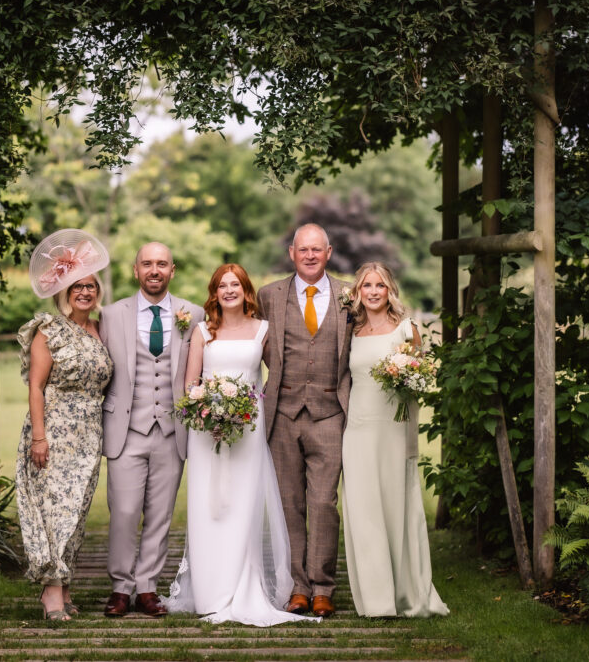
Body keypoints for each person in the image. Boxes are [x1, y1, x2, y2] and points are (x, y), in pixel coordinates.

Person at [165, 264, 316, 626]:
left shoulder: (263, 331)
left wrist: (250, 406)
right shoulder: (202, 331)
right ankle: (210, 592)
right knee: (210, 506)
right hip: (208, 432)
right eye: (221, 285)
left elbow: (277, 375)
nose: (228, 290)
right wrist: (208, 410)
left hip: (248, 429)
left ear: (245, 290)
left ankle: (242, 586)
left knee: (244, 507)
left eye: (235, 284)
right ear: (214, 292)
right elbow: (190, 385)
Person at [99, 242, 205, 617]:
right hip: (126, 428)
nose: (154, 270)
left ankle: (147, 588)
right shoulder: (111, 315)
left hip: (172, 429)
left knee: (160, 513)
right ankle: (120, 587)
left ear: (172, 270)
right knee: (125, 511)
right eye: (147, 264)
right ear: (136, 270)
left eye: (161, 264)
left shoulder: (193, 313)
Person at [15, 229, 113, 621]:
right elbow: (36, 388)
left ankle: (65, 583)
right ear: (63, 289)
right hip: (53, 432)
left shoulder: (101, 329)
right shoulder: (48, 330)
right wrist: (39, 437)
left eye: (90, 285)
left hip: (89, 435)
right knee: (54, 511)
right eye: (77, 286)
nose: (84, 292)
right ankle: (51, 593)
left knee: (76, 513)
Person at [342, 262, 448, 618]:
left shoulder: (407, 330)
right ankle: (376, 601)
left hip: (392, 429)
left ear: (390, 291)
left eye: (380, 286)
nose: (373, 292)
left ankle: (406, 593)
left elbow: (418, 381)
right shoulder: (350, 331)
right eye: (367, 285)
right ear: (357, 291)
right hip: (357, 432)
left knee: (396, 510)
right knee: (363, 512)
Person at [257, 223, 353, 618]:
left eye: (317, 249)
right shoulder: (269, 295)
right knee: (289, 503)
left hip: (330, 413)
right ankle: (298, 586)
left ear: (328, 252)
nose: (310, 256)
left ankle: (323, 587)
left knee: (323, 504)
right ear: (292, 252)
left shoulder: (351, 293)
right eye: (303, 249)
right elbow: (252, 341)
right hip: (283, 412)